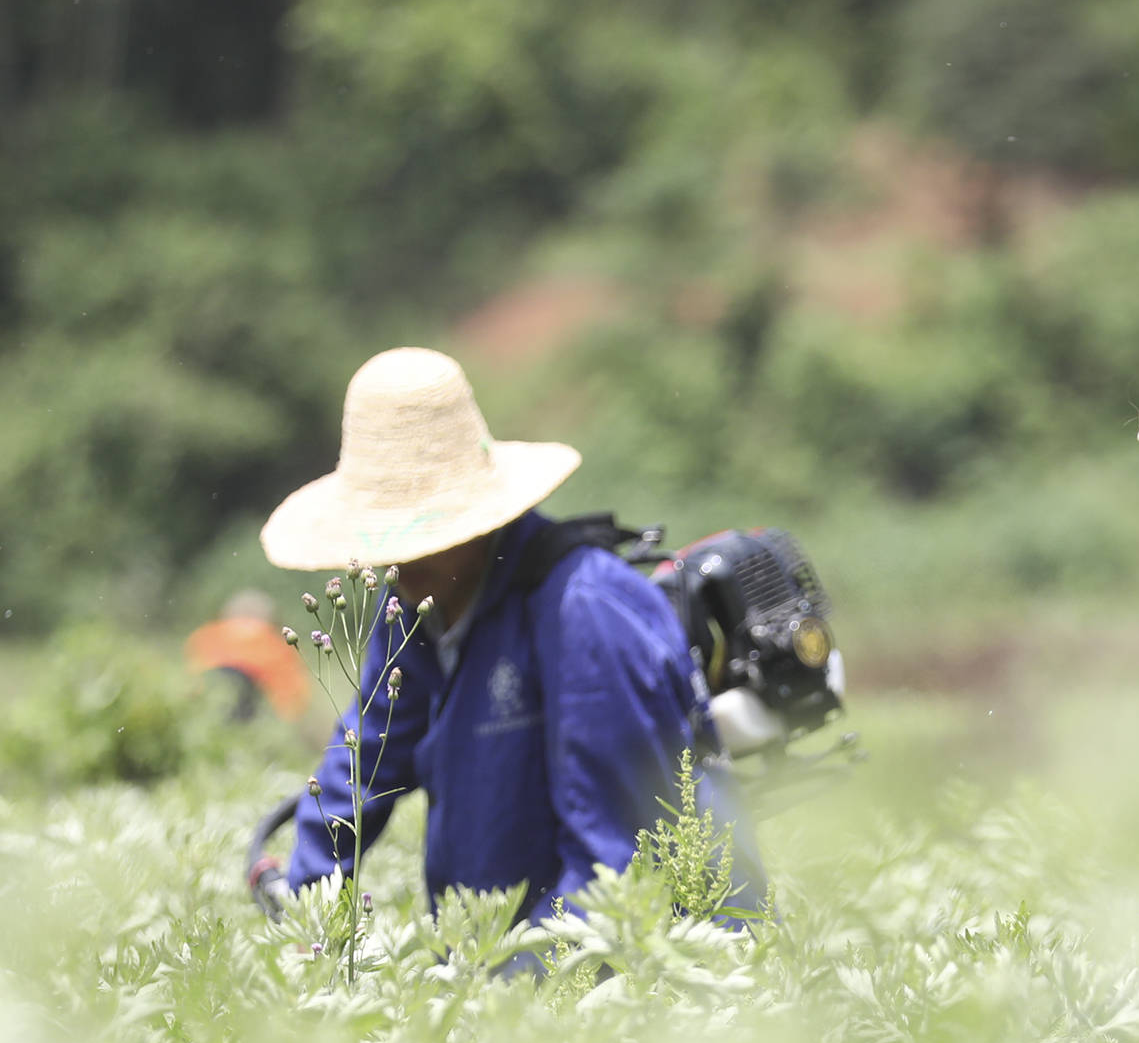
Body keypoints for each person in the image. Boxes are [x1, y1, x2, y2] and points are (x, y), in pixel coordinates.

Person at [246, 346, 756, 927]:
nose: (392, 558)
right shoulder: (413, 604)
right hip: (503, 961)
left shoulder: (583, 613)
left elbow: (613, 867)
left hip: (661, 978)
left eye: (414, 533)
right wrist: (308, 908)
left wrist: (501, 997)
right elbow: (363, 763)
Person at [186, 589, 313, 723]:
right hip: (256, 717)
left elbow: (193, 680)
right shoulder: (278, 645)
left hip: (211, 710)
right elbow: (294, 699)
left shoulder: (205, 636)